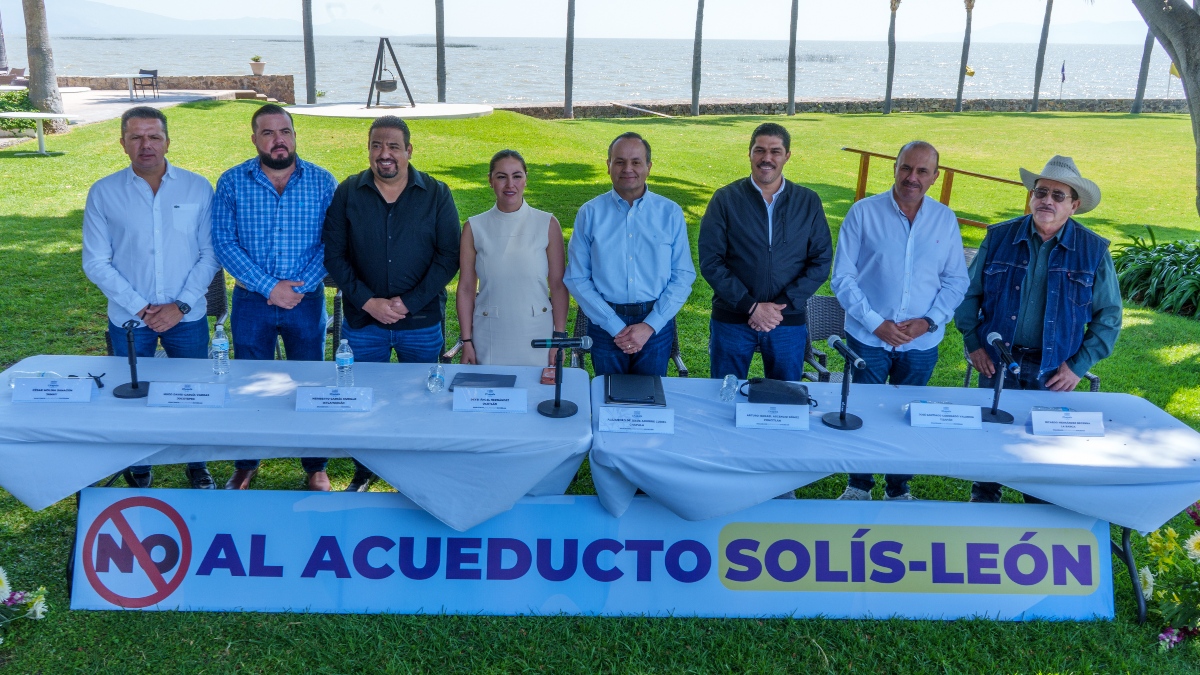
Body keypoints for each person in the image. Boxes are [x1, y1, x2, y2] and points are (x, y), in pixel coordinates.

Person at [954, 155, 1122, 503]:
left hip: (1055, 368)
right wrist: (974, 344)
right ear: (1030, 197)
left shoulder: (1093, 250)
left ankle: (1038, 511)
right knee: (992, 436)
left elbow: (1109, 316)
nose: (1047, 200)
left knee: (1044, 446)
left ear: (1074, 205)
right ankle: (984, 501)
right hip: (996, 360)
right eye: (1040, 192)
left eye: (1058, 195)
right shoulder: (999, 237)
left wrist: (1078, 365)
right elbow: (967, 295)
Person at [82, 106, 220, 490]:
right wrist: (141, 308)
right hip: (129, 320)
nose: (146, 145)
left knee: (194, 394)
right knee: (129, 396)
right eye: (136, 137)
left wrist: (181, 305)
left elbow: (210, 253)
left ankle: (198, 464)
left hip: (186, 318)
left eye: (153, 136)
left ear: (167, 141)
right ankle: (138, 466)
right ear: (123, 143)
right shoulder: (104, 192)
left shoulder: (197, 187)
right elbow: (95, 261)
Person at [322, 115, 461, 493]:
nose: (385, 154)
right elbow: (334, 256)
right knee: (362, 399)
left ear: (409, 151)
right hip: (363, 323)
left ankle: (418, 470)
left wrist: (406, 302)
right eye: (377, 146)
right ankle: (366, 468)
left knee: (424, 398)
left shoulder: (437, 193)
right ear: (368, 150)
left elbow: (449, 256)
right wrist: (369, 302)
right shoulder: (348, 192)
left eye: (393, 147)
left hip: (420, 322)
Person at [830, 140, 970, 502]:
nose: (912, 177)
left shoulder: (945, 219)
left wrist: (930, 321)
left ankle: (898, 488)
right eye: (906, 168)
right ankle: (859, 485)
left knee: (910, 414)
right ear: (894, 167)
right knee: (864, 410)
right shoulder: (863, 213)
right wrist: (876, 322)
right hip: (868, 336)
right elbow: (842, 277)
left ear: (935, 176)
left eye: (922, 171)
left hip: (921, 342)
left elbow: (957, 280)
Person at [212, 104, 337, 491]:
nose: (278, 140)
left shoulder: (321, 181)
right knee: (251, 383)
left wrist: (296, 289)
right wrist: (270, 287)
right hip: (252, 303)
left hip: (306, 301)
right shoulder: (232, 182)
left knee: (309, 381)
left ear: (295, 135)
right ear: (254, 139)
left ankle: (315, 465)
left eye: (285, 131)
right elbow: (224, 242)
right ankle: (247, 462)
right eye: (267, 133)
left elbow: (333, 241)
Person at [699, 122, 832, 382]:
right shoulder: (725, 199)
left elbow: (821, 261)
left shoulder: (808, 201)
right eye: (759, 150)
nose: (767, 158)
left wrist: (779, 307)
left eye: (775, 151)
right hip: (732, 319)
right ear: (749, 153)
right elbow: (711, 260)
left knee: (784, 400)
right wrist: (750, 307)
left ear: (787, 156)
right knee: (726, 396)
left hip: (787, 322)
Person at [564, 132, 696, 376]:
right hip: (604, 323)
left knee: (651, 401)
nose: (628, 169)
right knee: (608, 399)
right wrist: (613, 325)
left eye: (636, 162)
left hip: (655, 323)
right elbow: (576, 277)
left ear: (648, 167)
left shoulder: (670, 213)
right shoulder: (589, 213)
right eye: (619, 161)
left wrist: (649, 325)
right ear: (608, 166)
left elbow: (683, 275)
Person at [457, 150, 569, 367]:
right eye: (501, 176)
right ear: (490, 180)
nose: (510, 184)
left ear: (526, 179)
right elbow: (466, 288)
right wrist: (467, 340)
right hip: (489, 334)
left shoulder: (547, 224)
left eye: (517, 176)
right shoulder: (474, 227)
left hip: (538, 333)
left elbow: (557, 285)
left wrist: (559, 337)